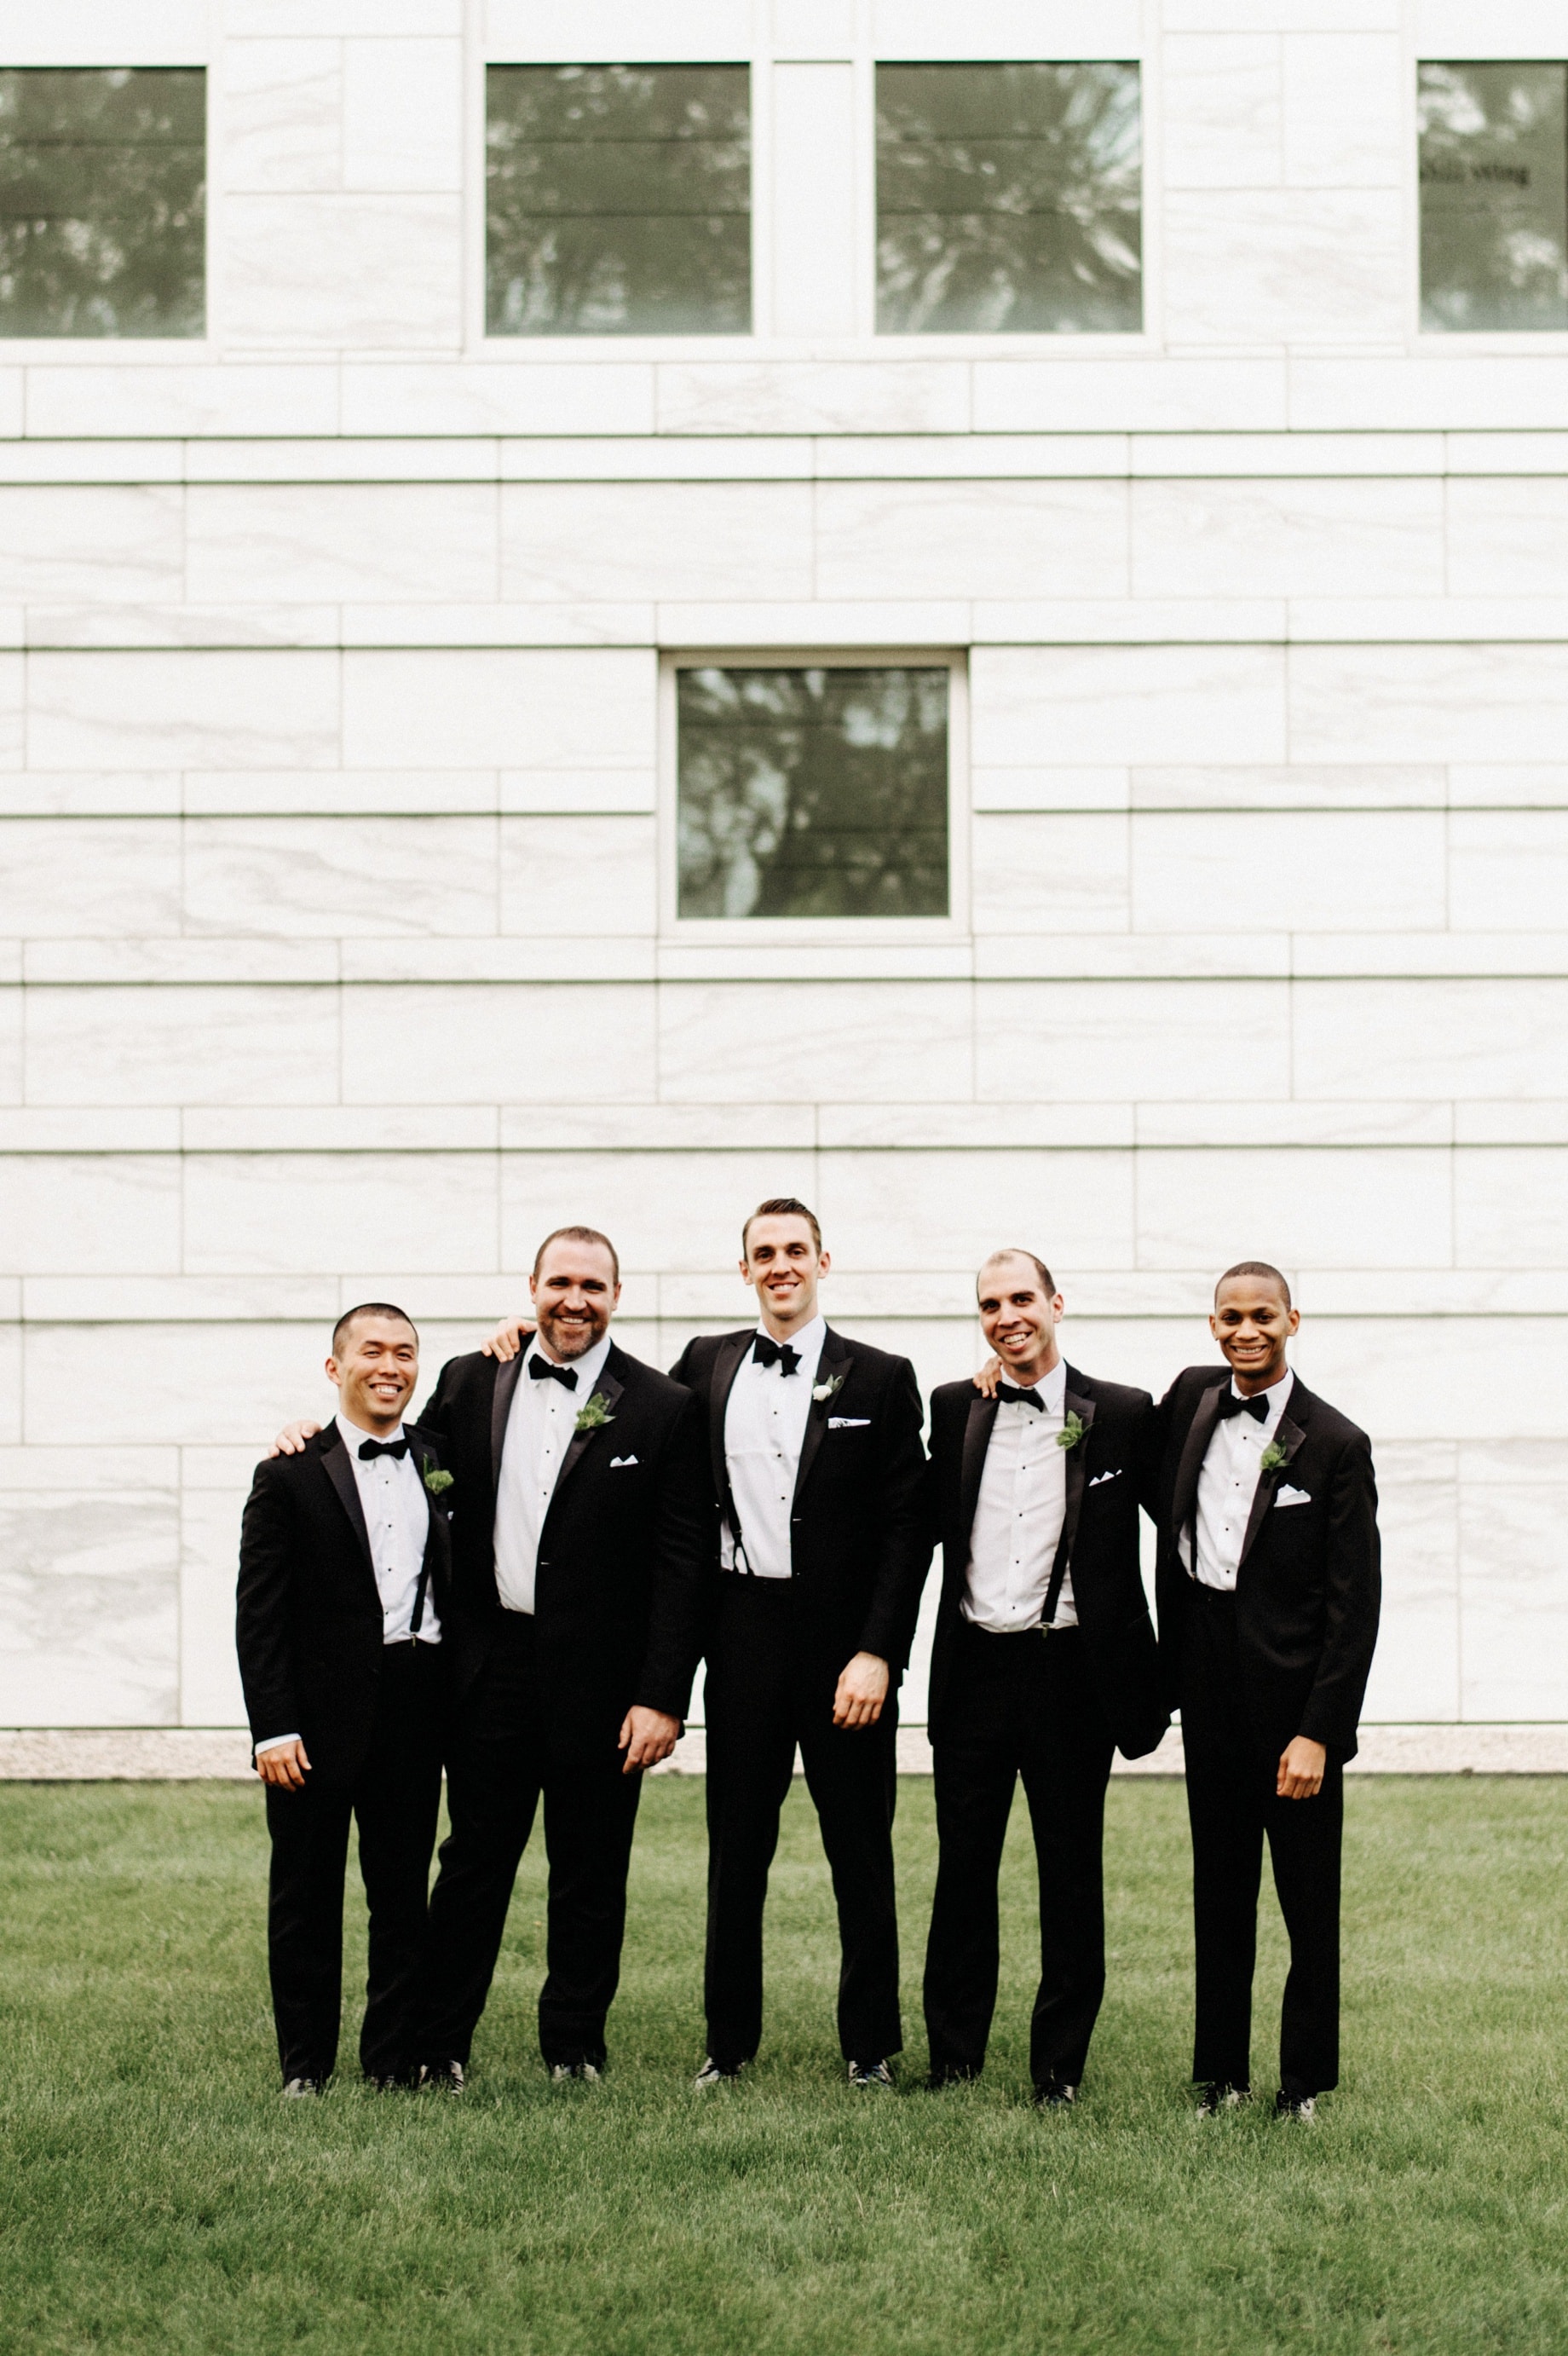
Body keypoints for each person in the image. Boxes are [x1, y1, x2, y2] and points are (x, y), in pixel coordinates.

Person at [493, 1196, 931, 2089]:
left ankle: (871, 2049)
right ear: (744, 1270)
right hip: (740, 1637)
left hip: (843, 1646)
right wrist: (517, 1338)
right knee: (736, 1853)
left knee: (860, 1847)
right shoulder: (703, 1365)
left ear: (822, 1261)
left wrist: (877, 1651)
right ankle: (727, 2047)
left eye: (795, 1250)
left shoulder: (882, 1377)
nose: (781, 1265)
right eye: (763, 1252)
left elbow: (906, 1529)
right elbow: (617, 1401)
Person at [268, 1227, 707, 2089]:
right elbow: (390, 1463)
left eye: (591, 1285)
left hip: (604, 1681)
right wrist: (308, 1433)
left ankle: (574, 2044)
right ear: (532, 1287)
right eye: (558, 1283)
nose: (573, 1300)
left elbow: (683, 1559)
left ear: (618, 1294)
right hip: (487, 1669)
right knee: (472, 1864)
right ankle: (436, 2043)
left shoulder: (663, 1406)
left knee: (590, 1866)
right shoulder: (472, 1380)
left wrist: (662, 1693)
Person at [924, 1251, 1167, 2107]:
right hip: (974, 1666)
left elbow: (1199, 1483)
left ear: (1057, 1303)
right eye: (989, 1304)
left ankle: (1058, 2067)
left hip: (1071, 1672)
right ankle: (952, 2057)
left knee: (1069, 1873)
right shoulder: (955, 1406)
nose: (1006, 1315)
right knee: (962, 1872)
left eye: (1021, 1297)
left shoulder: (1124, 1414)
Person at [1151, 1262, 1381, 2121]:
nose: (1245, 1330)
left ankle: (1302, 2084)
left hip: (1294, 1713)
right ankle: (1220, 2074)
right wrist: (996, 1374)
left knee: (1306, 1902)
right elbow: (1099, 1429)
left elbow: (1355, 1606)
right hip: (1206, 1693)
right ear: (1212, 1326)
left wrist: (1320, 1729)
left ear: (1292, 1320)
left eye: (1261, 1316)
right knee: (1220, 1890)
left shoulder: (1335, 1442)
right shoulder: (1189, 1401)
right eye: (1229, 1317)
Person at [237, 1303, 450, 2096]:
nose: (389, 1366)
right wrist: (273, 1727)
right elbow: (258, 1614)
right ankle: (305, 2069)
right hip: (315, 1719)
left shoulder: (439, 1454)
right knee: (305, 1897)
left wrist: (515, 1327)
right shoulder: (288, 1472)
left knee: (401, 1898)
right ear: (336, 1368)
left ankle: (390, 2061)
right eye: (372, 1352)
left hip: (415, 1705)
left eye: (404, 1352)